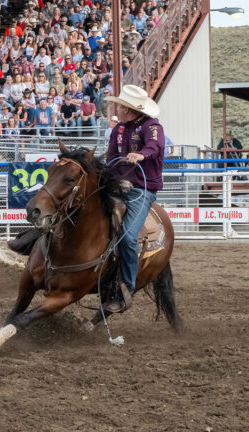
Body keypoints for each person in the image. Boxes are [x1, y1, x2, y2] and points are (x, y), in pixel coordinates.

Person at [103, 85, 166, 313]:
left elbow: (155, 147)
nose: (117, 109)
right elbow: (111, 157)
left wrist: (141, 154)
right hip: (117, 185)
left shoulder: (152, 127)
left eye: (120, 106)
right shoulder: (118, 130)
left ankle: (127, 288)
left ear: (128, 109)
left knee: (128, 237)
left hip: (141, 190)